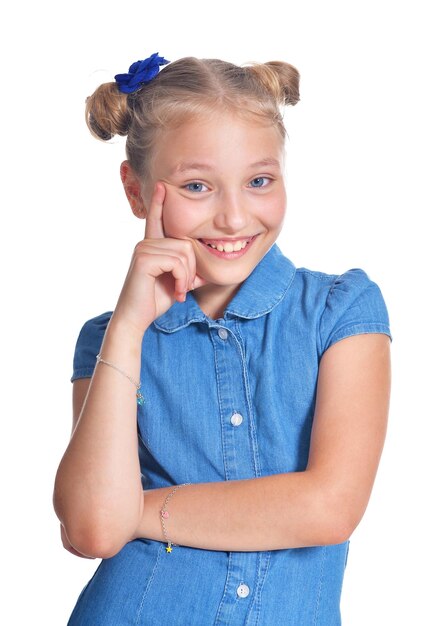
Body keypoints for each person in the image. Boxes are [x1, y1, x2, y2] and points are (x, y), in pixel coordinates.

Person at [53, 52, 392, 626]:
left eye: (259, 181)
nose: (234, 218)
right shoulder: (108, 340)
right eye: (197, 186)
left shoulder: (340, 311)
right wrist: (130, 326)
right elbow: (91, 528)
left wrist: (137, 511)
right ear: (137, 192)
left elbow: (329, 507)